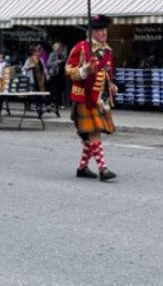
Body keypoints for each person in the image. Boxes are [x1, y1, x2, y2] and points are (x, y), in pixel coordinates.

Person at [67, 14, 118, 181]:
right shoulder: (81, 47)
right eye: (100, 30)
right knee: (94, 133)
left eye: (105, 29)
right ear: (92, 32)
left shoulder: (107, 49)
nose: (104, 33)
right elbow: (68, 70)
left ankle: (82, 168)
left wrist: (110, 85)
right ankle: (103, 169)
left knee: (91, 135)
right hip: (84, 96)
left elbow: (106, 73)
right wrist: (84, 70)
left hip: (100, 98)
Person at [47, 41, 68, 110]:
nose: (60, 50)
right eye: (59, 48)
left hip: (60, 75)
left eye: (61, 48)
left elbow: (65, 64)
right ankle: (51, 103)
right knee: (53, 90)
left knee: (60, 90)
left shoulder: (62, 56)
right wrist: (56, 62)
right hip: (53, 74)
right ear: (56, 48)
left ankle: (59, 104)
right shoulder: (52, 55)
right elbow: (48, 64)